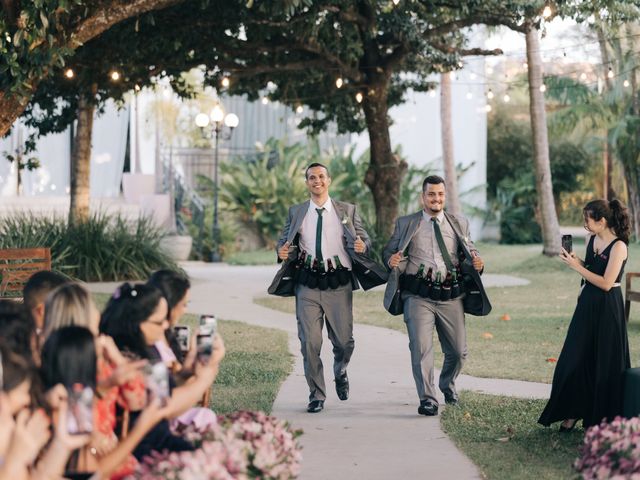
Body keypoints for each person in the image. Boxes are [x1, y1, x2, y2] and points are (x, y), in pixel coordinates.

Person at [270, 162, 387, 413]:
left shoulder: (346, 210)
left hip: (338, 282)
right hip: (307, 282)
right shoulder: (296, 212)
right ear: (307, 183)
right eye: (312, 177)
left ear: (329, 180)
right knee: (309, 342)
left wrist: (362, 246)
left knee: (344, 342)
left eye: (321, 176)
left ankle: (340, 368)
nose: (317, 181)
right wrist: (281, 252)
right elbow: (283, 242)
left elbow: (365, 238)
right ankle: (316, 395)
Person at [383, 175, 484, 416]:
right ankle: (428, 399)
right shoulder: (407, 223)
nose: (436, 199)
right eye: (431, 194)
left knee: (459, 352)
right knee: (420, 348)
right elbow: (389, 250)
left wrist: (477, 261)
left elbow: (470, 250)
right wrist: (391, 259)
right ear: (423, 197)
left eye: (439, 194)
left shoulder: (458, 222)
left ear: (444, 196)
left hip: (450, 295)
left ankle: (447, 384)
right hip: (417, 295)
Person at [100, 282, 225, 459]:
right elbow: (166, 406)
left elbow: (163, 389)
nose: (166, 325)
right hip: (143, 451)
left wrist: (187, 370)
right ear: (139, 323)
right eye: (159, 321)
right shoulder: (126, 356)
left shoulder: (144, 345)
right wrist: (205, 378)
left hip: (159, 439)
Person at [538, 199, 631, 431]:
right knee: (573, 359)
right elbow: (591, 269)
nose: (585, 225)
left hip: (608, 308)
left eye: (588, 221)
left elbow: (607, 283)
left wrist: (577, 268)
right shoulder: (592, 239)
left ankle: (598, 417)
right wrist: (575, 260)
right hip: (587, 305)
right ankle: (572, 410)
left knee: (602, 362)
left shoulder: (619, 246)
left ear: (602, 221)